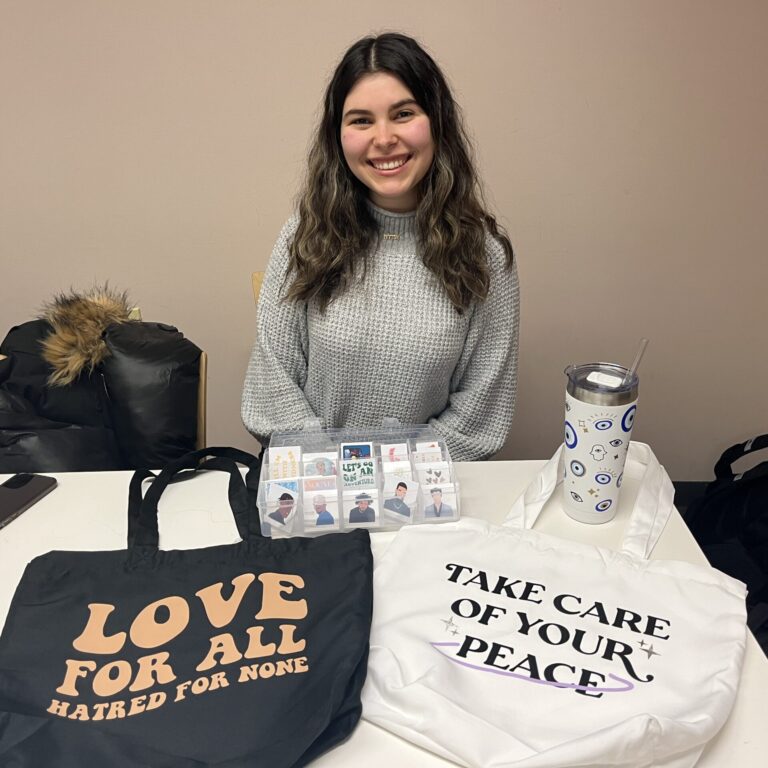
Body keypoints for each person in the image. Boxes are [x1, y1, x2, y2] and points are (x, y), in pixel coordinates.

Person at [242, 32, 519, 461]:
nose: (384, 138)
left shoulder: (485, 256)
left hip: (426, 497)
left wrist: (396, 482)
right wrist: (341, 481)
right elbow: (272, 390)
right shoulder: (304, 237)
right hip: (315, 492)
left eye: (403, 113)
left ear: (437, 121)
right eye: (361, 120)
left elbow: (480, 416)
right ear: (338, 136)